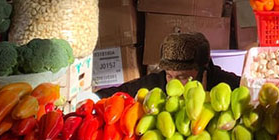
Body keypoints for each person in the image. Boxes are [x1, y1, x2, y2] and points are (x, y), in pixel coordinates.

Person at [97, 33, 240, 98]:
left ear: (203, 71)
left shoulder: (225, 83)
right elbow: (120, 93)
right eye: (169, 75)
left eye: (183, 76)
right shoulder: (158, 83)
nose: (173, 83)